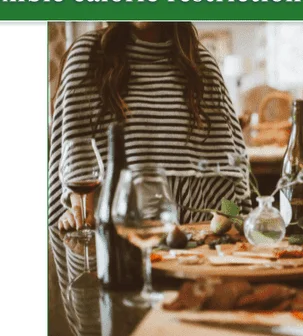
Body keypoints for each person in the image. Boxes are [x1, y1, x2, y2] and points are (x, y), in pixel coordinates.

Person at [49, 22, 252, 230]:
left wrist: (234, 227)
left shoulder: (201, 63)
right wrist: (81, 214)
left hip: (193, 240)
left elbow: (229, 174)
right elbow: (78, 158)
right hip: (119, 236)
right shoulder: (88, 55)